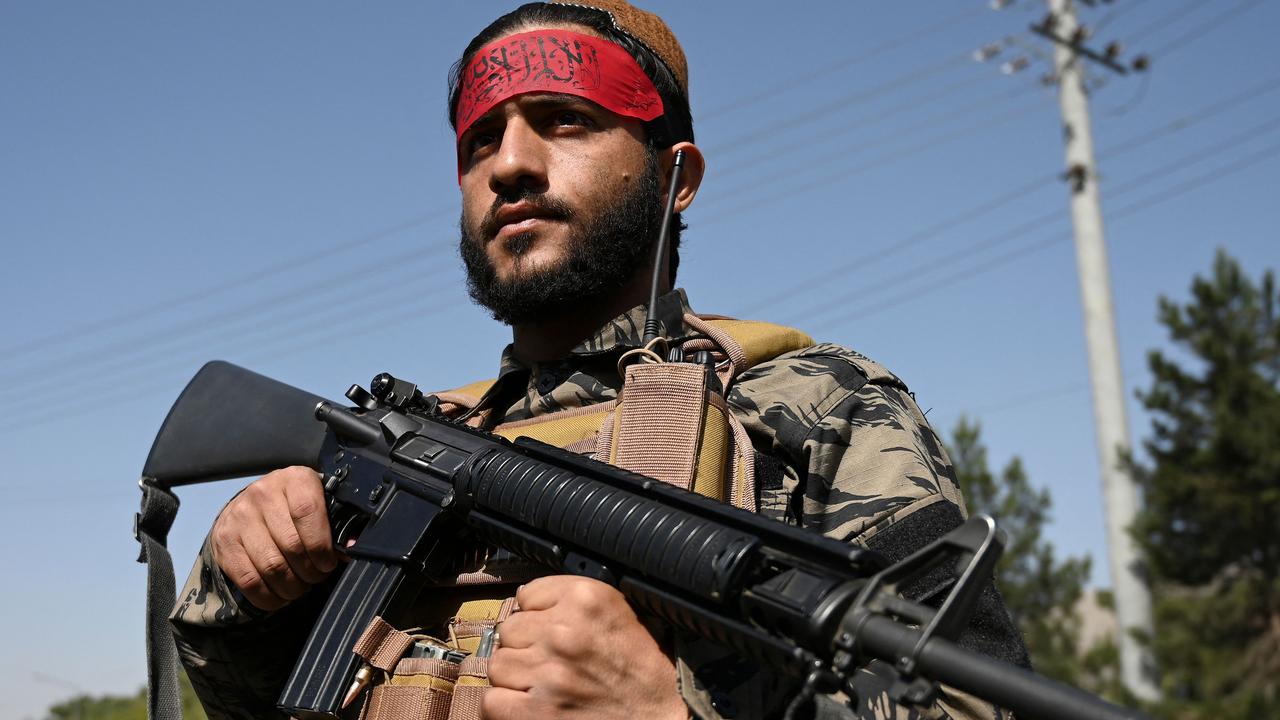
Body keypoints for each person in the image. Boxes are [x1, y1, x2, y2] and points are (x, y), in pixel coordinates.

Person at [170, 2, 1028, 719]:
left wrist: (667, 709)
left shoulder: (820, 403)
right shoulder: (434, 431)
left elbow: (971, 702)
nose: (508, 164)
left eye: (564, 121)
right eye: (480, 142)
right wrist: (240, 596)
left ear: (676, 176)